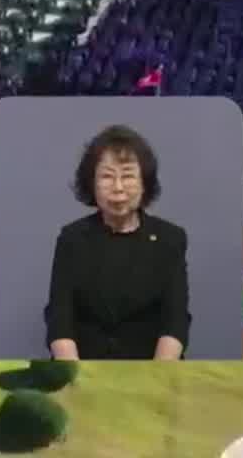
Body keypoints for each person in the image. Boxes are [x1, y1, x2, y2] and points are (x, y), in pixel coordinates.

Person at [43, 124, 190, 361]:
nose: (118, 188)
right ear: (92, 183)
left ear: (144, 183)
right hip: (84, 366)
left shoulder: (170, 239)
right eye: (107, 176)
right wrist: (75, 374)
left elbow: (175, 321)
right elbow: (59, 319)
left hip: (152, 369)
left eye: (128, 176)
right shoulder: (72, 238)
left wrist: (157, 376)